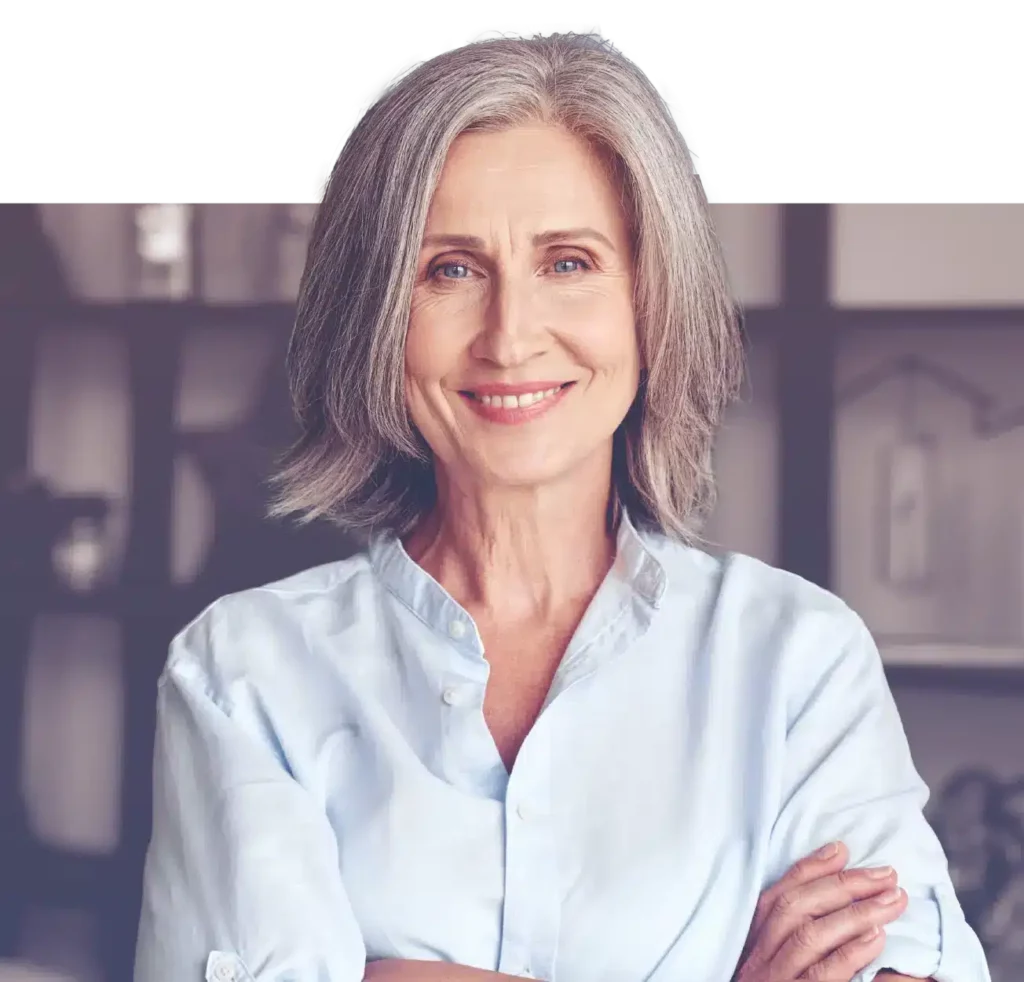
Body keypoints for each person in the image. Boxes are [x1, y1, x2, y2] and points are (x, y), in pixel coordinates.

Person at [134, 33, 990, 982]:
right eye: (450, 269)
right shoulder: (241, 676)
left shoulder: (798, 660)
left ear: (649, 301)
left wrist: (382, 971)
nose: (509, 337)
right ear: (376, 316)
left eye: (569, 262)